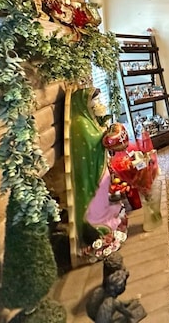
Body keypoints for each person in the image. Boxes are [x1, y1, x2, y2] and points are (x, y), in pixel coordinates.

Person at [69, 87, 125, 256]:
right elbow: (91, 141)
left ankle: (106, 214)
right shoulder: (80, 122)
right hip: (91, 169)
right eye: (94, 100)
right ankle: (97, 220)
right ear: (84, 102)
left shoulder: (89, 119)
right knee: (98, 193)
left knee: (104, 190)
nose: (97, 103)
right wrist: (105, 133)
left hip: (99, 165)